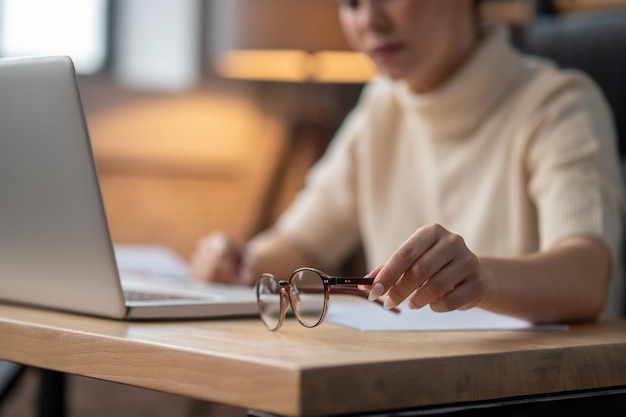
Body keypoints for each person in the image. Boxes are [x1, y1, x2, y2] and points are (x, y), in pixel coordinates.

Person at [191, 0, 624, 324]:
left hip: (538, 387)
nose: (368, 19)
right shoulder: (382, 107)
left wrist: (480, 277)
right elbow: (300, 243)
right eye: (352, 2)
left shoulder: (559, 105)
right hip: (410, 379)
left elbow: (586, 279)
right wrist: (240, 261)